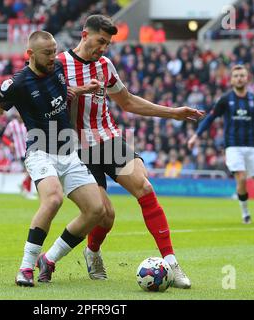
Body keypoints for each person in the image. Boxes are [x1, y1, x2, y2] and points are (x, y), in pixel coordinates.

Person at [58, 15, 204, 288]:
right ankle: (92, 251)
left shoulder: (105, 66)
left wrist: (172, 113)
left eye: (108, 43)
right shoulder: (59, 64)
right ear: (84, 34)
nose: (103, 48)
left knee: (145, 188)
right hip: (78, 149)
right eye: (100, 41)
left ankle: (171, 263)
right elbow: (43, 103)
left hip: (109, 140)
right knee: (105, 215)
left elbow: (126, 102)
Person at [0, 31, 105, 287]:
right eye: (47, 53)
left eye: (55, 50)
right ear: (30, 55)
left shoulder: (59, 68)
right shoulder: (18, 84)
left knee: (95, 210)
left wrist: (80, 89)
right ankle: (25, 268)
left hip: (68, 149)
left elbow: (61, 91)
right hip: (40, 150)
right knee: (53, 198)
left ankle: (50, 259)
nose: (53, 56)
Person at [188, 64, 254, 224]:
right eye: (236, 76)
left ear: (247, 78)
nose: (239, 78)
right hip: (233, 147)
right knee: (241, 179)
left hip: (252, 147)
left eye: (242, 75)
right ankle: (245, 214)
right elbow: (210, 118)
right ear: (231, 80)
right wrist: (195, 136)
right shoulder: (225, 99)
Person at [2, 112, 36, 199]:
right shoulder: (12, 124)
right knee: (30, 170)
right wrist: (10, 144)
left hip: (30, 149)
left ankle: (25, 187)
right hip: (20, 151)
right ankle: (26, 189)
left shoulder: (27, 122)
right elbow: (5, 137)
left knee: (30, 171)